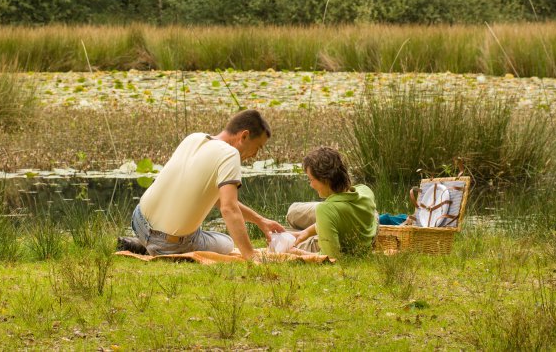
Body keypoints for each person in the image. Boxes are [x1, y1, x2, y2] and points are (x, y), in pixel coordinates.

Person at [122, 109, 285, 261]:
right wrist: (250, 255)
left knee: (198, 232)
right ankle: (153, 247)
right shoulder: (230, 155)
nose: (255, 155)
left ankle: (142, 243)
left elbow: (217, 199)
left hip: (138, 221)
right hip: (167, 244)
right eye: (258, 147)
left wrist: (260, 220)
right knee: (226, 242)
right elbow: (229, 208)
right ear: (244, 136)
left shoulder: (194, 138)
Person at [287, 147, 377, 259]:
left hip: (332, 241)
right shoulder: (366, 191)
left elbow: (330, 258)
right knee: (292, 222)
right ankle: (298, 233)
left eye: (311, 180)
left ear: (325, 179)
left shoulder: (326, 209)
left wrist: (294, 253)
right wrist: (305, 232)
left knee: (289, 240)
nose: (311, 185)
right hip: (354, 234)